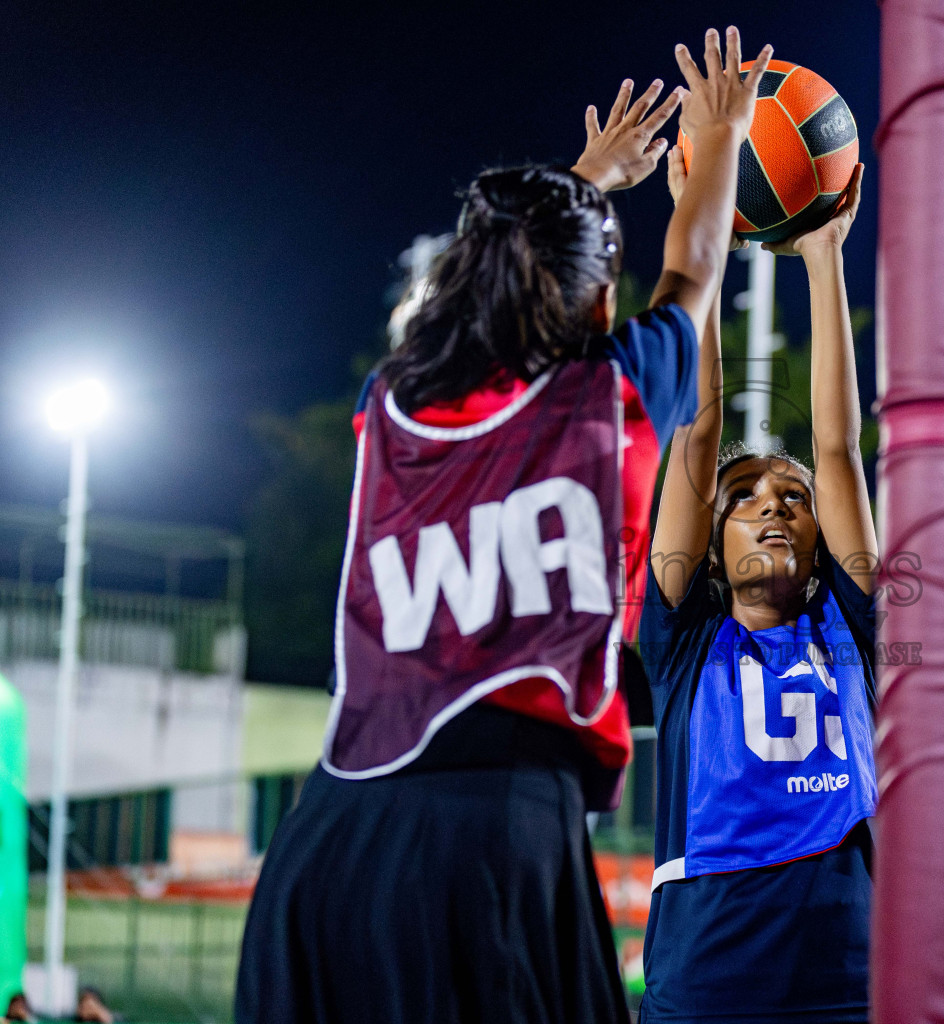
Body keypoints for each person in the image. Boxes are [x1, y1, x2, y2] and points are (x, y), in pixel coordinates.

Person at [234, 28, 772, 1024]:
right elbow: (693, 271)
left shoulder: (387, 404)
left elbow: (475, 290)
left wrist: (581, 181)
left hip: (328, 837)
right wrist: (724, 135)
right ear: (600, 299)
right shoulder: (612, 393)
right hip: (496, 839)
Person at [639, 144, 876, 1022]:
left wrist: (824, 259)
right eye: (745, 500)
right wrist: (698, 212)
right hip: (711, 956)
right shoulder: (683, 638)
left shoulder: (852, 633)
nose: (775, 508)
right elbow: (697, 434)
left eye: (793, 500)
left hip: (847, 959)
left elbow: (840, 453)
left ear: (820, 540)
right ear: (708, 547)